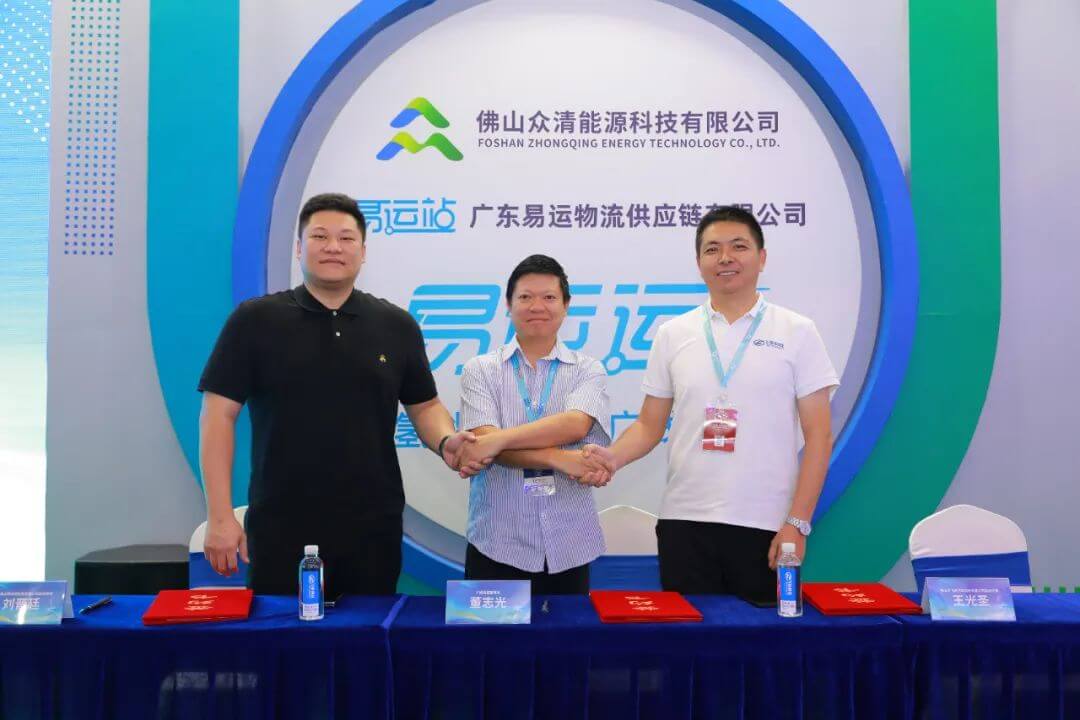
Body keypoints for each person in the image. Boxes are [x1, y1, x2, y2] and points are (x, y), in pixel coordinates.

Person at [198, 192, 482, 595]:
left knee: (366, 631)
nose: (333, 247)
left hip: (372, 527)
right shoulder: (255, 320)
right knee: (282, 633)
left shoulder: (396, 325)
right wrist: (220, 516)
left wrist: (446, 439)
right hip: (280, 522)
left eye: (346, 238)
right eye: (320, 236)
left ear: (363, 252)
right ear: (299, 248)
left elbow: (425, 405)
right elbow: (217, 415)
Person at [582, 206, 838, 598]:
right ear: (699, 262)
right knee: (687, 635)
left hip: (766, 523)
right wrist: (611, 458)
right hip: (683, 522)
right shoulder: (673, 333)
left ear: (762, 258)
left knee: (760, 636)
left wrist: (798, 523)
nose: (725, 258)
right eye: (712, 249)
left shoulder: (797, 332)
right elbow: (649, 425)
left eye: (739, 247)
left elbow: (819, 436)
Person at [455, 254, 611, 594]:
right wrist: (559, 458)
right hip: (497, 542)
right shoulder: (479, 369)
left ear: (566, 305)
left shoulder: (588, 369)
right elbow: (484, 444)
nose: (537, 306)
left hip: (569, 543)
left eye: (549, 297)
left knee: (568, 630)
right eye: (525, 297)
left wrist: (499, 440)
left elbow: (575, 425)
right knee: (488, 631)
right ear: (508, 305)